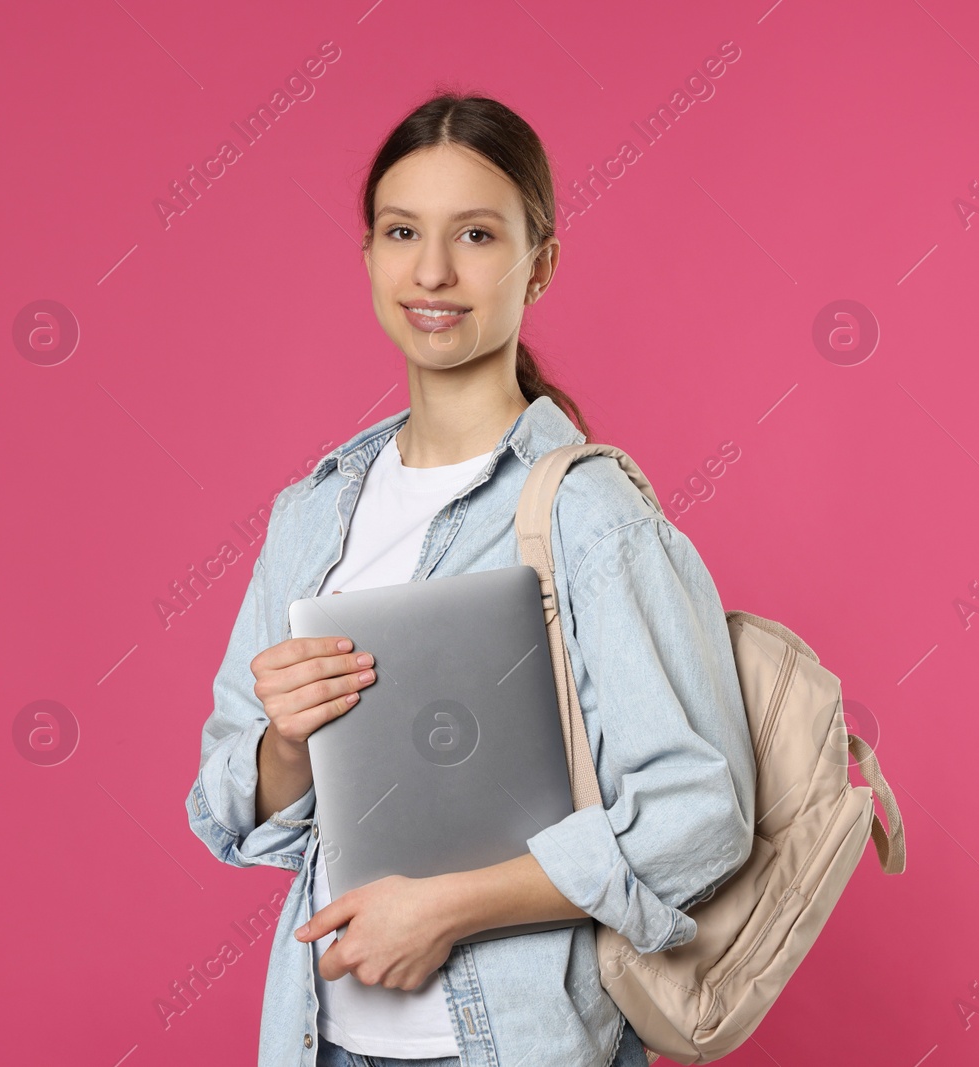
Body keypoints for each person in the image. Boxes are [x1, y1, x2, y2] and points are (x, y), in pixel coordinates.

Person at [184, 91, 756, 1067]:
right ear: (366, 253)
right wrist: (285, 737)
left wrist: (448, 906)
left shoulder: (592, 514)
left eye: (477, 234)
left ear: (541, 261)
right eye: (402, 230)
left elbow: (702, 813)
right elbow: (224, 808)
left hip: (516, 1044)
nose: (433, 270)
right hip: (317, 1038)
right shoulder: (310, 514)